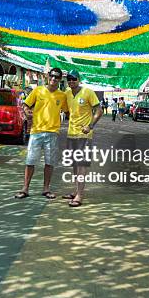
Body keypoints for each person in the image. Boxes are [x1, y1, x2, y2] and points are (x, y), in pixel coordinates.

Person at [14, 68, 68, 200]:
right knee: (30, 161)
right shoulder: (38, 90)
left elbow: (68, 112)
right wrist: (27, 112)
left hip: (52, 133)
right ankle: (25, 188)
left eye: (57, 77)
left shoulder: (62, 96)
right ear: (48, 77)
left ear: (60, 80)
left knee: (49, 163)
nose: (54, 79)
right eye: (52, 76)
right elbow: (25, 104)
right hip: (36, 132)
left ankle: (46, 189)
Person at [62, 70, 103, 207]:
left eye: (74, 79)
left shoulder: (88, 92)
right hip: (71, 133)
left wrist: (90, 126)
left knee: (81, 165)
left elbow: (99, 110)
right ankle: (76, 191)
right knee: (74, 164)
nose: (71, 81)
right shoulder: (67, 93)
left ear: (79, 79)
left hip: (84, 135)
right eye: (69, 79)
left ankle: (80, 195)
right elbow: (67, 110)